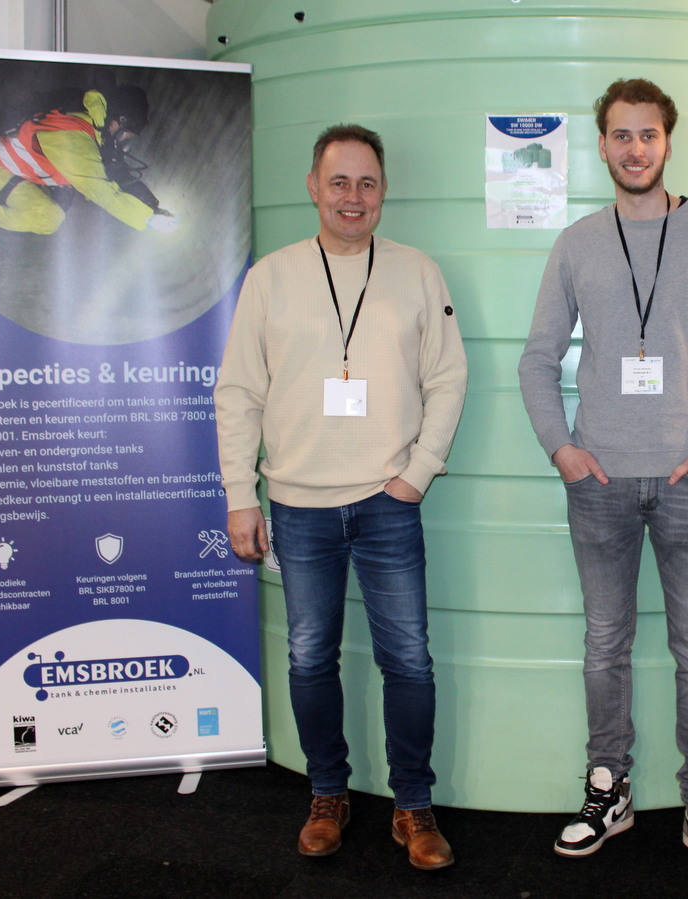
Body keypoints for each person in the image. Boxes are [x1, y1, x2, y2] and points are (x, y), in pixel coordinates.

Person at [518, 78, 688, 883]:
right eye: (622, 135)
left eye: (649, 135)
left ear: (668, 142)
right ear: (602, 145)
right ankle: (609, 786)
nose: (636, 149)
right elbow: (536, 359)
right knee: (605, 642)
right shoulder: (576, 243)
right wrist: (562, 449)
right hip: (598, 482)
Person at [214, 124, 467, 870]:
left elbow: (447, 377)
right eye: (338, 182)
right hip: (298, 505)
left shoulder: (417, 271)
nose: (352, 197)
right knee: (309, 658)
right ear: (312, 187)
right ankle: (328, 793)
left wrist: (418, 471)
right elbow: (238, 391)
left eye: (366, 183)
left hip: (389, 501)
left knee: (409, 661)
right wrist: (240, 494)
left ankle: (413, 805)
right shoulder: (270, 278)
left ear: (383, 191)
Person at [0, 84, 177, 235]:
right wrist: (147, 218)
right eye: (125, 135)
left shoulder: (91, 127)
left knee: (64, 195)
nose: (123, 141)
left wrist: (152, 205)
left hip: (18, 169)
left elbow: (118, 174)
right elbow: (102, 192)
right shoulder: (75, 139)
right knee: (49, 218)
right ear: (116, 121)